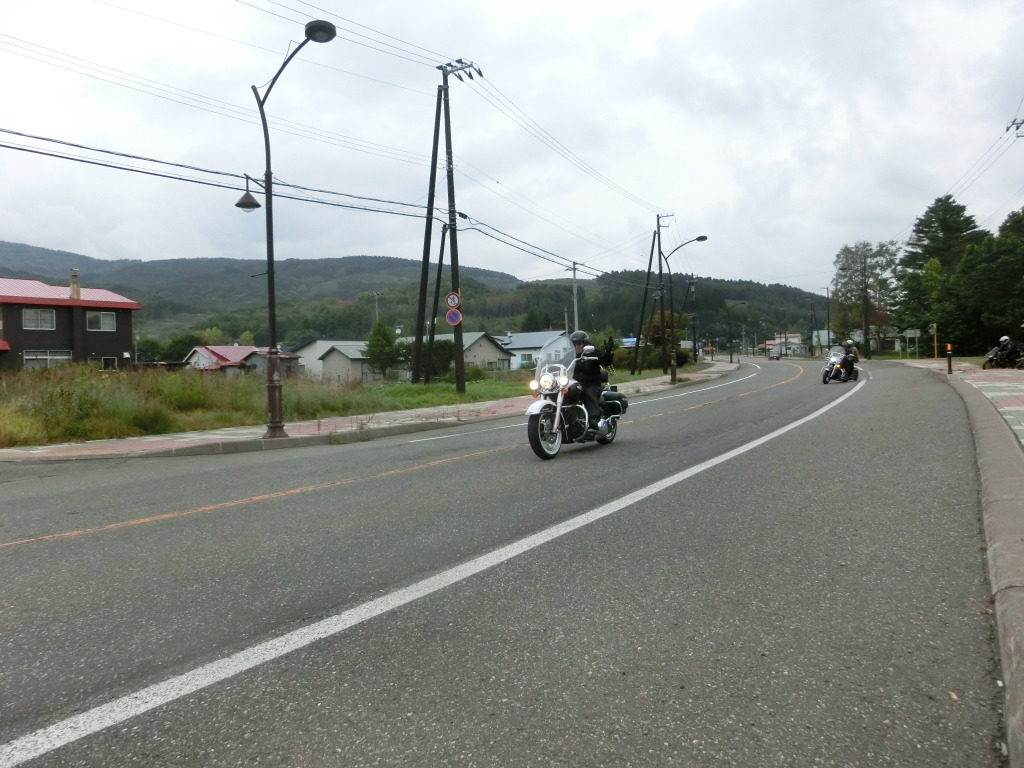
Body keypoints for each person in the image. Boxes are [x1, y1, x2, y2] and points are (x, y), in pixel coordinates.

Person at [566, 330, 614, 430]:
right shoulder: (570, 355)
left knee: (588, 391)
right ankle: (571, 421)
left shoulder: (592, 352)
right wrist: (547, 364)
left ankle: (593, 420)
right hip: (576, 384)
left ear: (585, 344)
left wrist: (608, 352)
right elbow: (560, 362)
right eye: (573, 344)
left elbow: (605, 361)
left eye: (578, 344)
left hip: (592, 383)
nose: (576, 347)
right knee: (564, 393)